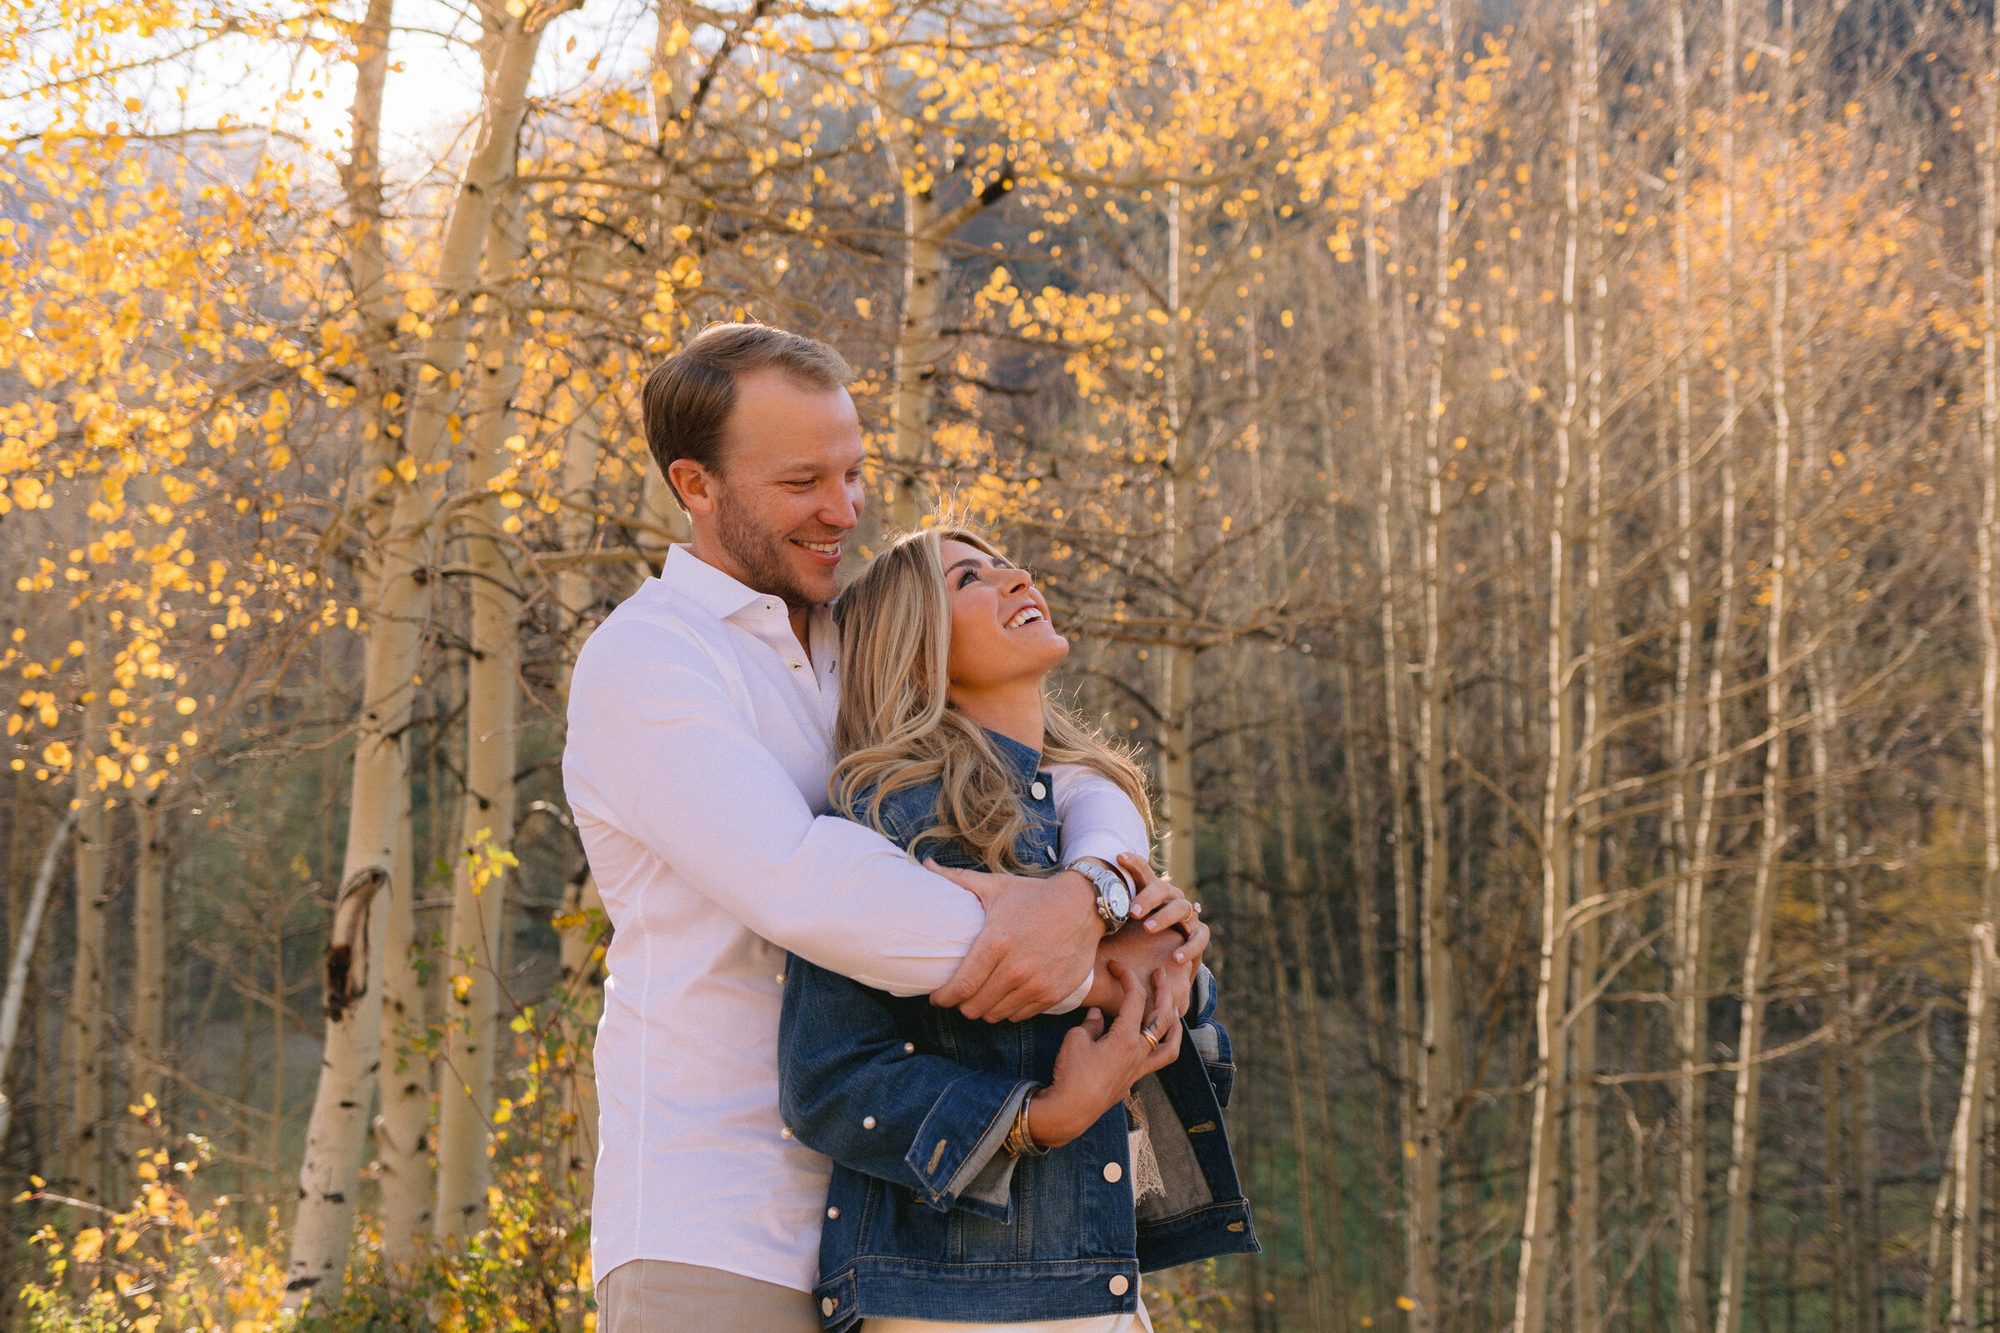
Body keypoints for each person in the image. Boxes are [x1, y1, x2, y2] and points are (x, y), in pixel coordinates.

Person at [562, 323, 1208, 1331]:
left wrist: (1096, 885)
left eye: (854, 472)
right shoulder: (649, 660)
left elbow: (1051, 768)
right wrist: (1098, 966)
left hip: (904, 1225)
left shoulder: (855, 642)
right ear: (694, 484)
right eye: (801, 481)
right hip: (723, 1226)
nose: (843, 509)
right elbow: (803, 883)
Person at [778, 526, 1258, 1332]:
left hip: (1101, 1289)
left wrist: (1177, 981)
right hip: (953, 1305)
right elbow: (827, 1078)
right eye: (972, 577)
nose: (1016, 577)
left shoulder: (1094, 838)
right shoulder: (890, 817)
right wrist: (1041, 1117)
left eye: (1007, 563)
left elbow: (1185, 1082)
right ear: (917, 647)